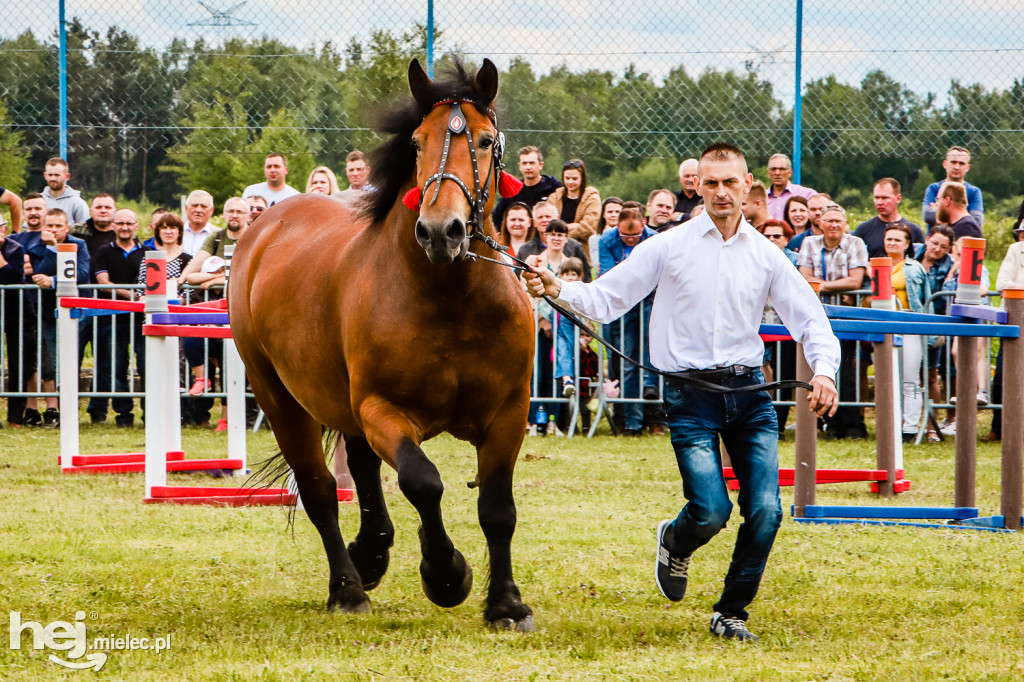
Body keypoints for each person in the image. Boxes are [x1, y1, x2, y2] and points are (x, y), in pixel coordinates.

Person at [525, 142, 839, 642]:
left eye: (730, 182)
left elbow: (810, 319)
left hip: (750, 393)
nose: (720, 192)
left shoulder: (766, 255)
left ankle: (731, 612)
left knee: (766, 510)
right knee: (712, 510)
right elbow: (608, 299)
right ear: (699, 187)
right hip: (690, 396)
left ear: (747, 185)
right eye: (710, 183)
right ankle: (675, 538)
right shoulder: (667, 246)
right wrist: (556, 287)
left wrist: (824, 371)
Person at [797, 203, 869, 439]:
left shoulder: (855, 243)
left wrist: (822, 287)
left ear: (845, 224)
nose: (834, 225)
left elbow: (856, 281)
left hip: (847, 316)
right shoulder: (810, 244)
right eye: (829, 220)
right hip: (817, 317)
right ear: (820, 223)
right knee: (821, 369)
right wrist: (835, 287)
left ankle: (852, 423)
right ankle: (828, 423)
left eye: (839, 220)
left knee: (848, 370)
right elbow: (803, 276)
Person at [181, 198, 251, 429]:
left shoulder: (253, 236)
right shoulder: (216, 238)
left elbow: (249, 274)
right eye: (230, 210)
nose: (235, 215)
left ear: (247, 215)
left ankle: (227, 419)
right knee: (191, 338)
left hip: (244, 313)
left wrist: (219, 279)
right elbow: (191, 274)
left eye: (240, 211)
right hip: (215, 311)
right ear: (223, 213)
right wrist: (214, 278)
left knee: (232, 366)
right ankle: (202, 382)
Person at [596, 207, 659, 437]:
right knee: (628, 362)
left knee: (650, 352)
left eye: (635, 236)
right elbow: (609, 273)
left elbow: (659, 273)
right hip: (623, 303)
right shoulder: (606, 240)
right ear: (617, 229)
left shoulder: (654, 239)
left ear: (644, 224)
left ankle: (651, 400)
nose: (630, 241)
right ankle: (633, 421)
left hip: (650, 300)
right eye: (625, 236)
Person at [25, 208, 90, 427]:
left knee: (71, 361)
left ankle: (70, 410)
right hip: (46, 313)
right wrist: (51, 249)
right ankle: (57, 409)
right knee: (52, 362)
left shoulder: (79, 245)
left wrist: (52, 282)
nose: (54, 230)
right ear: (44, 227)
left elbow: (81, 275)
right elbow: (37, 273)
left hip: (74, 313)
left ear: (67, 227)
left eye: (58, 226)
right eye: (49, 226)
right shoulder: (35, 247)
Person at [88, 209, 146, 427]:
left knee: (146, 367)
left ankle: (149, 413)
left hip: (141, 319)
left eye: (129, 223)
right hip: (112, 318)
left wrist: (139, 299)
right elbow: (104, 283)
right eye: (120, 223)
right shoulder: (103, 252)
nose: (124, 227)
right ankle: (123, 415)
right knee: (117, 367)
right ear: (113, 226)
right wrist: (135, 296)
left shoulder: (147, 252)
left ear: (137, 226)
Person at [882, 223, 930, 440]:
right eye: (889, 239)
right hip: (882, 327)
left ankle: (909, 428)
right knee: (887, 379)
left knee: (910, 378)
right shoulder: (874, 266)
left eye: (897, 240)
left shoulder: (915, 268)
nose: (892, 243)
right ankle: (890, 424)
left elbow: (925, 300)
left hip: (909, 325)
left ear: (907, 244)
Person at [913, 225, 955, 441]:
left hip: (934, 325)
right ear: (927, 239)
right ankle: (906, 424)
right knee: (908, 376)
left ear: (949, 249)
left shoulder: (949, 266)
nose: (937, 249)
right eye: (935, 243)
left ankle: (931, 427)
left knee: (930, 376)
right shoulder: (911, 252)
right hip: (909, 322)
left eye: (944, 246)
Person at [989, 225, 1024, 441]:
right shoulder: (1015, 250)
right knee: (1002, 374)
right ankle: (998, 427)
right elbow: (1002, 283)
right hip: (1014, 322)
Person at [491, 146, 563, 227]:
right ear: (519, 166)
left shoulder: (554, 187)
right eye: (524, 163)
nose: (528, 167)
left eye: (532, 163)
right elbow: (497, 217)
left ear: (541, 165)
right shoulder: (513, 189)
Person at [519, 202, 592, 281]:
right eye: (540, 217)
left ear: (558, 218)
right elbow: (521, 284)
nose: (544, 220)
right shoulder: (525, 251)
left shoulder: (575, 247)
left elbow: (586, 280)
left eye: (548, 216)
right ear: (534, 222)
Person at [854, 178, 925, 258]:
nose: (879, 202)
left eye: (885, 198)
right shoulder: (863, 229)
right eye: (876, 198)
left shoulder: (913, 230)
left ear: (898, 198)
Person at [923, 146, 984, 229]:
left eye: (961, 163)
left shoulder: (974, 192)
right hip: (936, 239)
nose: (957, 167)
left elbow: (976, 221)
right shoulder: (933, 188)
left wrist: (939, 212)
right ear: (945, 164)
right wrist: (963, 216)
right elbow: (928, 216)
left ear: (967, 167)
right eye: (953, 162)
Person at [548, 159, 601, 243]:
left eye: (574, 178)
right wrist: (574, 226)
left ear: (582, 178)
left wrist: (559, 233)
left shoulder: (592, 198)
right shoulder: (554, 198)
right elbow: (547, 226)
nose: (570, 182)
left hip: (582, 250)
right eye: (567, 178)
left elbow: (588, 229)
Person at [766, 153, 816, 220]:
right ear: (768, 173)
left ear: (790, 172)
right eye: (773, 169)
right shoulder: (761, 198)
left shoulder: (805, 194)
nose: (777, 173)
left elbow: (829, 209)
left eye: (782, 169)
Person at [41, 157, 89, 225]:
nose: (53, 178)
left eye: (57, 175)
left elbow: (84, 232)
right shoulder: (38, 201)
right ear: (45, 175)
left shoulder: (77, 203)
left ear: (67, 176)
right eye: (50, 175)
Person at [181, 190, 217, 257]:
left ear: (211, 210)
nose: (198, 210)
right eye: (194, 206)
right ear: (186, 208)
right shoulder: (176, 232)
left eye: (203, 206)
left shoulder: (218, 235)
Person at [591, 197, 623, 268]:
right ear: (603, 214)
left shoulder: (629, 237)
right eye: (610, 212)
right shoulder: (594, 239)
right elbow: (598, 267)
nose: (613, 215)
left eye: (617, 212)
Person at [673, 158, 703, 222]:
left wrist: (681, 216)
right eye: (687, 176)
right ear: (680, 178)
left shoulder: (706, 198)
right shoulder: (671, 198)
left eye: (694, 176)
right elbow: (668, 216)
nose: (691, 180)